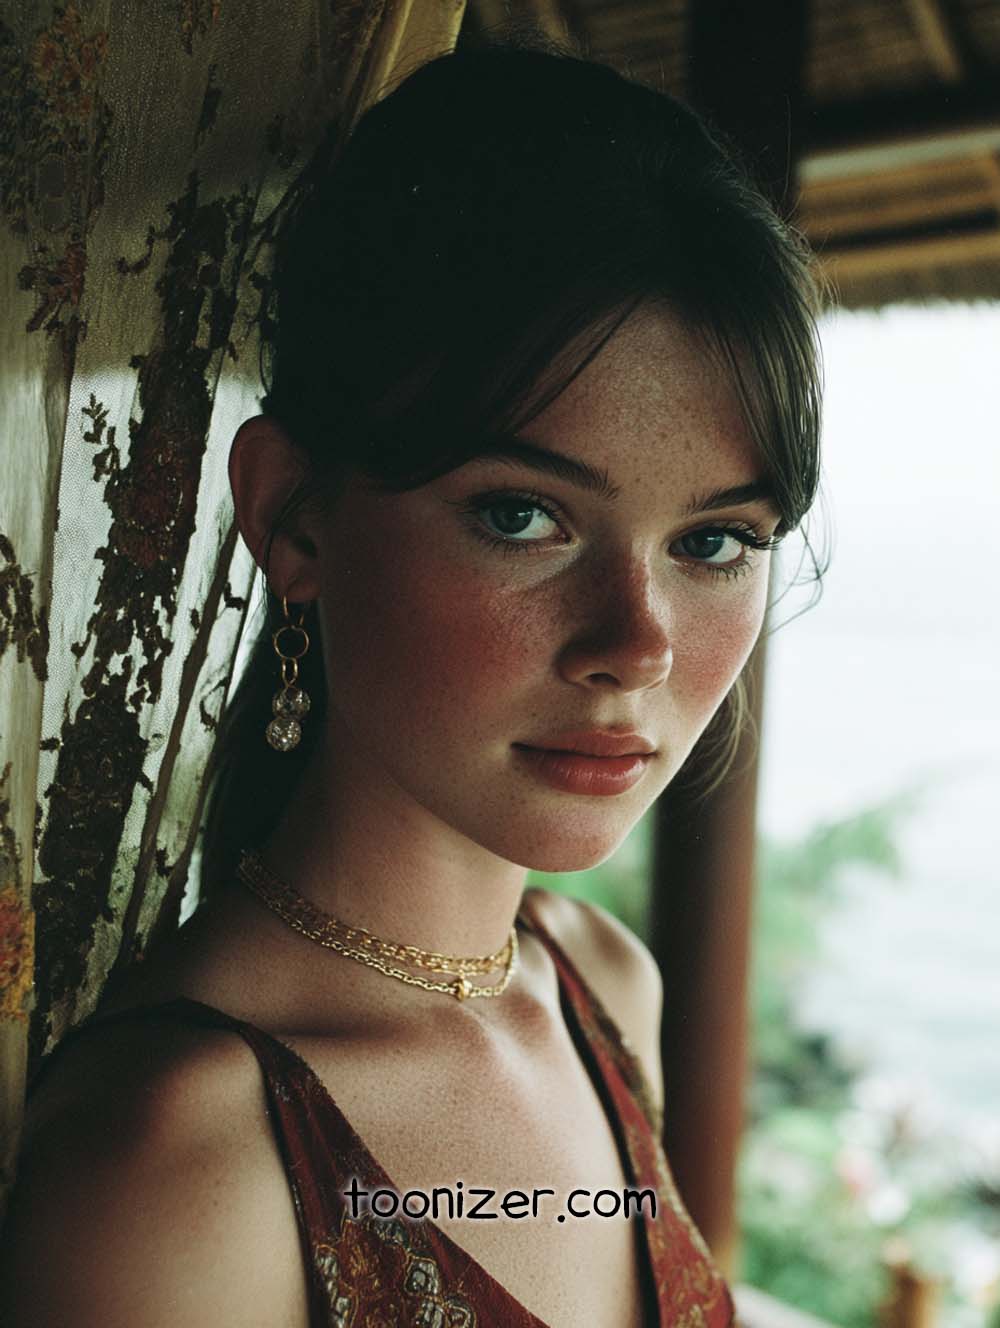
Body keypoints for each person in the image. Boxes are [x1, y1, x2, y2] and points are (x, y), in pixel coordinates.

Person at [0, 37, 823, 1328]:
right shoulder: (180, 1171)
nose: (639, 643)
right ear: (295, 520)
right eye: (521, 516)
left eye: (714, 541)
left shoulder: (603, 984)